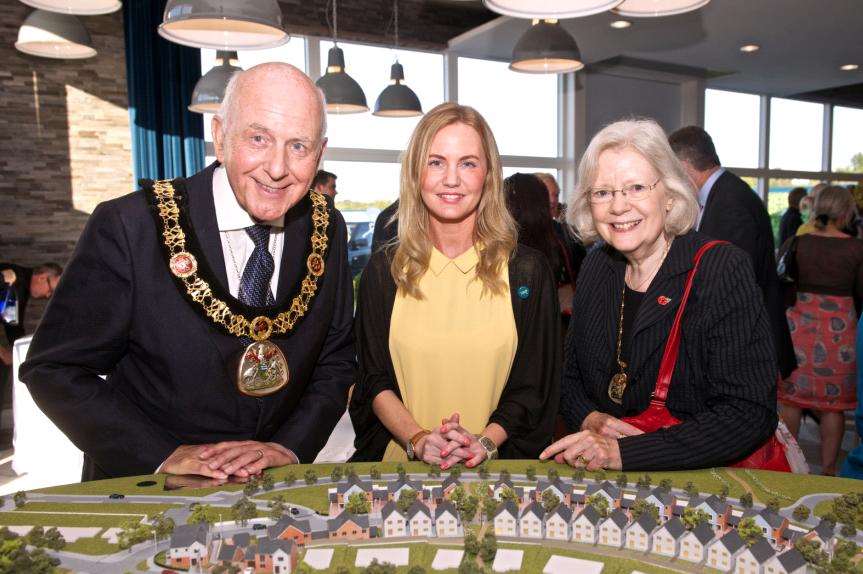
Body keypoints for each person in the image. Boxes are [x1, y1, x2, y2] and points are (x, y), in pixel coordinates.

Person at [20, 63, 355, 481]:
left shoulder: (327, 226)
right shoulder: (131, 226)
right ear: (219, 135)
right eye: (258, 138)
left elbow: (337, 360)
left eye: (299, 147)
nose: (277, 167)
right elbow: (54, 370)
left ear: (320, 154)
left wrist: (289, 446)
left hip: (274, 493)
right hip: (147, 493)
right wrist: (163, 455)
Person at [545, 118, 779, 471]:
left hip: (700, 486)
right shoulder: (597, 267)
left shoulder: (719, 269)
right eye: (603, 192)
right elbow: (571, 377)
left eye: (636, 187)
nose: (619, 206)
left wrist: (624, 453)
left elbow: (749, 412)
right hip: (608, 485)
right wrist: (590, 418)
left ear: (669, 195)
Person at [349, 103, 560, 467]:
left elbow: (534, 385)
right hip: (400, 472)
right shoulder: (385, 271)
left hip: (497, 472)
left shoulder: (527, 271)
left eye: (468, 163)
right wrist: (417, 439)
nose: (451, 179)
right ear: (416, 173)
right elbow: (372, 379)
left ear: (489, 176)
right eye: (436, 162)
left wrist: (484, 443)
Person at [669, 125, 796, 380]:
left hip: (745, 338)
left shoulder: (730, 202)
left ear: (683, 166)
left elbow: (728, 279)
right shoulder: (724, 192)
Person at [778, 185, 863, 475]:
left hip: (797, 333)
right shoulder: (856, 248)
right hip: (840, 338)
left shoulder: (797, 243)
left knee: (790, 401)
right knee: (833, 407)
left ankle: (790, 466)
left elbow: (784, 286)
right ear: (845, 212)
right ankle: (828, 471)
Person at [503, 173, 580, 319]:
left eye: (556, 195)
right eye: (547, 194)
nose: (552, 200)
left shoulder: (564, 233)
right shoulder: (509, 238)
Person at [0, 262, 62, 366]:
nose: (48, 296)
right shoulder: (12, 277)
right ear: (42, 278)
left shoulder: (21, 286)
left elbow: (12, 325)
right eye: (51, 290)